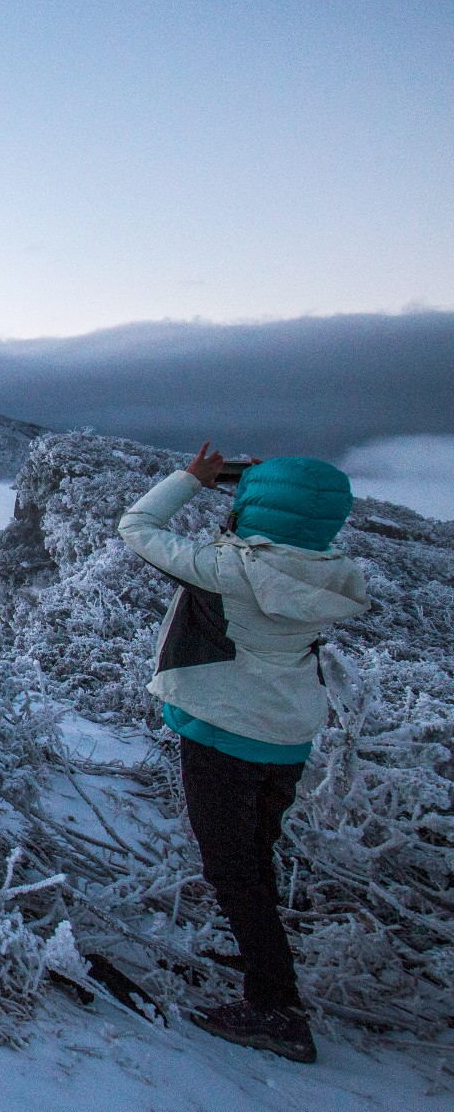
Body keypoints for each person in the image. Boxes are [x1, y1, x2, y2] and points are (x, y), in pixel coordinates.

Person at [117, 442, 368, 1064]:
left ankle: (274, 1008)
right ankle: (261, 953)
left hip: (223, 730)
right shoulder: (333, 571)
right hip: (288, 734)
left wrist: (193, 479)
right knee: (253, 855)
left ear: (255, 508)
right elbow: (289, 535)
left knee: (231, 866)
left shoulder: (228, 569)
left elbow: (137, 526)